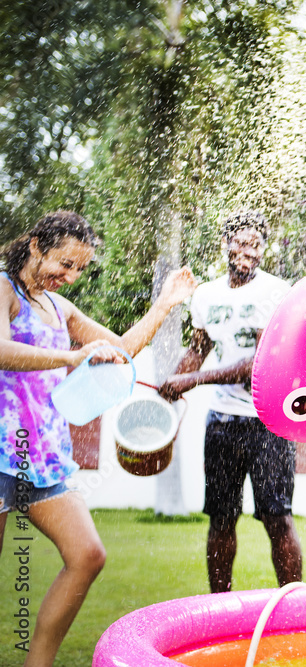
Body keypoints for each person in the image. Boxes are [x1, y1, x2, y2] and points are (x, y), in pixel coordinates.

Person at [0, 210, 196, 667]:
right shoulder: (4, 290)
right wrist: (71, 356)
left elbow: (120, 351)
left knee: (87, 555)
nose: (70, 276)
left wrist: (165, 303)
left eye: (80, 269)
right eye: (65, 264)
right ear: (35, 247)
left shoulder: (59, 308)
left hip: (42, 460)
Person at [158, 210, 303, 594]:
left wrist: (194, 378)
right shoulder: (206, 294)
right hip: (222, 422)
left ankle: (295, 608)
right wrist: (175, 380)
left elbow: (260, 363)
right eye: (240, 242)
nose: (247, 251)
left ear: (263, 249)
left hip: (268, 421)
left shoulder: (275, 291)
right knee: (220, 519)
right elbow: (198, 350)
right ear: (226, 243)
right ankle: (219, 607)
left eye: (255, 244)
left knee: (277, 518)